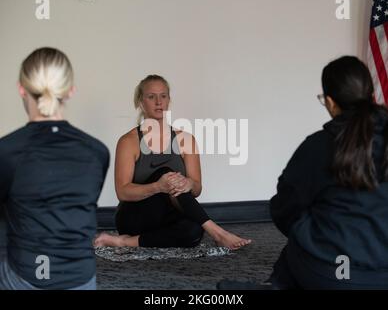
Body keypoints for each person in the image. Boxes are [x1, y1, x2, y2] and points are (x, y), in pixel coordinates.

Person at [218, 56, 388, 290]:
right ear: (371, 95)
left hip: (334, 274)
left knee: (303, 235)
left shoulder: (318, 146)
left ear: (330, 102)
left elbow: (284, 207)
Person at [94, 75, 251, 250]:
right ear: (140, 102)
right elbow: (122, 192)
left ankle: (122, 241)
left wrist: (189, 183)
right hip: (135, 217)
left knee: (193, 231)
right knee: (166, 174)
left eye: (163, 96)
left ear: (169, 100)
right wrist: (158, 186)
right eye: (151, 96)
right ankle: (218, 233)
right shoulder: (128, 141)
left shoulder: (186, 139)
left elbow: (197, 189)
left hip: (169, 216)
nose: (158, 102)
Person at [0, 47, 110, 290]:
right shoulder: (97, 152)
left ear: (21, 88)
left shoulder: (6, 151)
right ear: (70, 90)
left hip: (25, 277)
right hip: (81, 277)